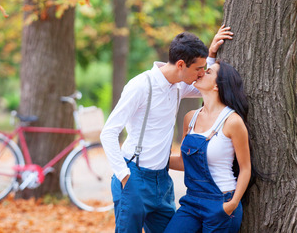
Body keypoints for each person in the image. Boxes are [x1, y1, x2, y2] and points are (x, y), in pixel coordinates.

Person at [100, 25, 234, 233]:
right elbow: (108, 132)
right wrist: (125, 177)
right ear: (181, 64)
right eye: (198, 68)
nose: (201, 74)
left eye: (202, 69)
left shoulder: (180, 84)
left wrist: (212, 54)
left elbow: (208, 86)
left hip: (162, 182)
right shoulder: (140, 86)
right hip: (134, 176)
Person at [164, 60, 251, 233]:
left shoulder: (232, 121)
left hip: (221, 202)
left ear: (218, 86)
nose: (202, 72)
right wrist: (153, 161)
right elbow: (184, 162)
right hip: (192, 201)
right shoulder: (190, 118)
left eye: (209, 71)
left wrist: (232, 204)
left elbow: (245, 168)